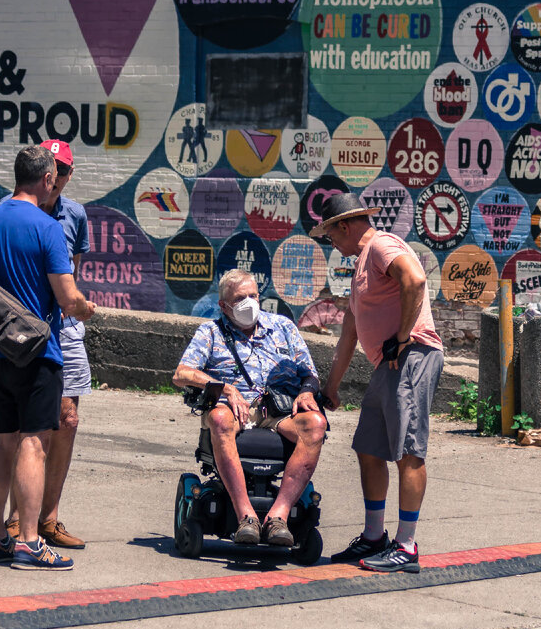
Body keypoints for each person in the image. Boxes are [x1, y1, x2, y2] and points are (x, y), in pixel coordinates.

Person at [0, 145, 96, 571]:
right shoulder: (47, 227)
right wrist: (85, 307)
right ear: (46, 179)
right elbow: (67, 297)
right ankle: (30, 542)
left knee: (3, 440)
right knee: (33, 443)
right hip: (39, 353)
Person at [317, 193, 445, 573]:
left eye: (330, 235)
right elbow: (349, 335)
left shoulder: (380, 245)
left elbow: (415, 280)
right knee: (369, 449)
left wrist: (402, 338)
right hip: (388, 365)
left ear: (344, 225)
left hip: (412, 355)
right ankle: (374, 536)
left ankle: (406, 547)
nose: (331, 243)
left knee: (408, 452)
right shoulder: (360, 269)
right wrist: (331, 388)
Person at [173, 269, 326, 547]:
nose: (249, 303)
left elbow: (310, 374)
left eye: (253, 296)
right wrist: (225, 388)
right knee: (219, 418)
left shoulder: (283, 327)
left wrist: (306, 392)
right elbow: (181, 374)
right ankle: (246, 516)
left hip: (278, 411)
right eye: (240, 299)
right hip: (234, 412)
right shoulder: (210, 332)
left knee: (316, 424)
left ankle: (278, 517)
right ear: (224, 306)